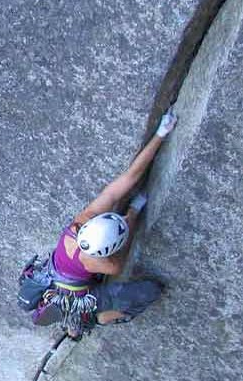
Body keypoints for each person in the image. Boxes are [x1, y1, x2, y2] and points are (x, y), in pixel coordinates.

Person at [31, 109, 176, 336]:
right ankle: (95, 318)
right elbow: (123, 247)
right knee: (150, 291)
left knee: (87, 290)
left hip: (61, 278)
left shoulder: (77, 225)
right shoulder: (107, 264)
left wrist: (161, 133)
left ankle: (72, 320)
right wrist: (134, 212)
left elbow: (127, 180)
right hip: (79, 293)